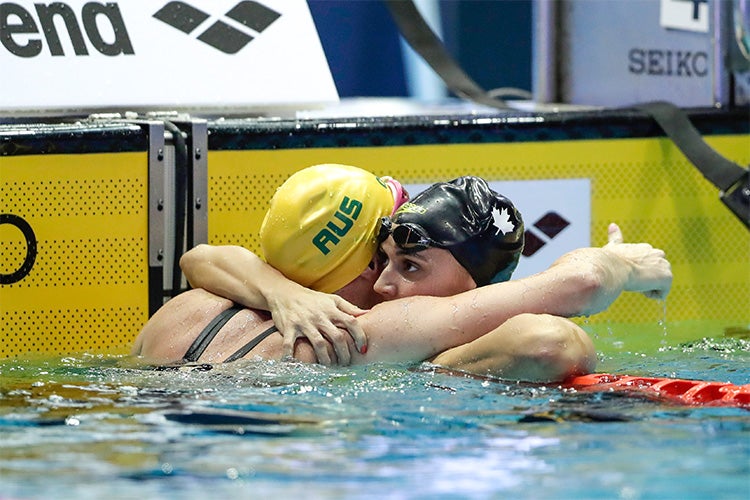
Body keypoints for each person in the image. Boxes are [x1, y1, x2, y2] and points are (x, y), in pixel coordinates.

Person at [133, 165, 672, 381]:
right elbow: (559, 320)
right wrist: (625, 262)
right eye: (383, 258)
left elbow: (200, 255)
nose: (388, 284)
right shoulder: (357, 329)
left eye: (409, 264)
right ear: (363, 261)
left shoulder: (188, 304)